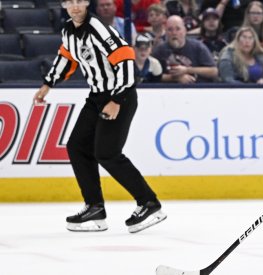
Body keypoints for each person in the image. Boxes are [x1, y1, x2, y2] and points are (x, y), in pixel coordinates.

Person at [34, 0, 166, 234]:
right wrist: (48, 84)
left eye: (79, 1)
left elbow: (126, 59)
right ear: (64, 5)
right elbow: (66, 57)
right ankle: (94, 207)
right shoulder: (68, 30)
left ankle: (149, 203)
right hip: (96, 97)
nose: (75, 6)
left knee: (107, 153)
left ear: (86, 3)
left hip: (119, 95)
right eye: (70, 2)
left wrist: (117, 100)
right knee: (77, 146)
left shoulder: (98, 28)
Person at [152, 15, 218, 83]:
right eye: (170, 29)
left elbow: (214, 72)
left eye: (178, 29)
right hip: (170, 91)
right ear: (165, 32)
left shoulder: (198, 47)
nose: (174, 33)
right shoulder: (160, 50)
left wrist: (187, 70)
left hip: (197, 89)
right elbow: (151, 76)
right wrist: (175, 78)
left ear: (185, 31)